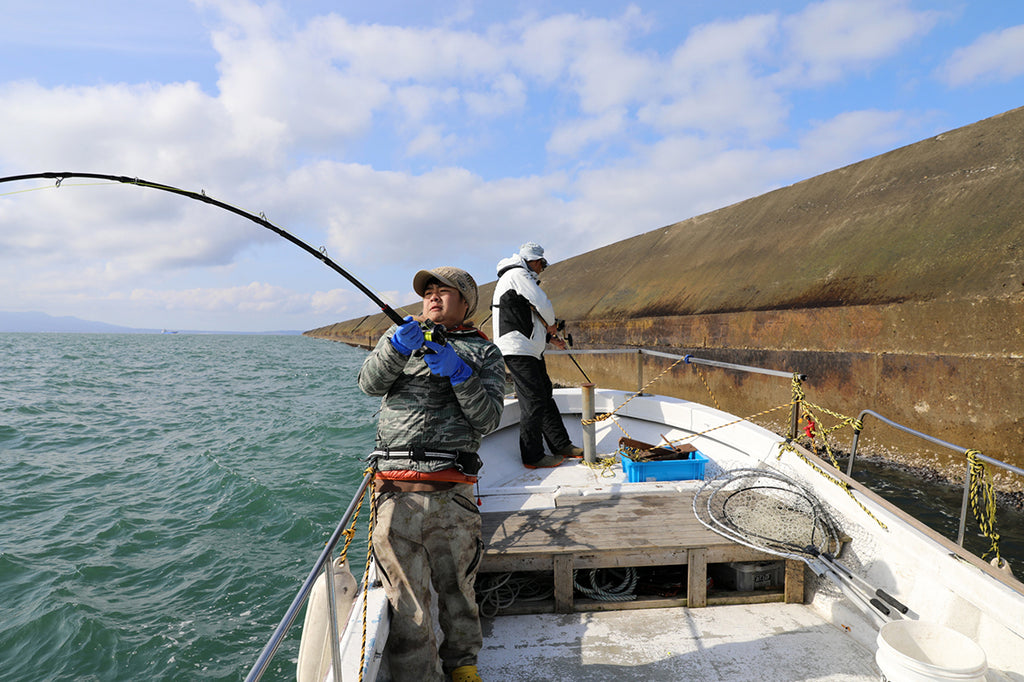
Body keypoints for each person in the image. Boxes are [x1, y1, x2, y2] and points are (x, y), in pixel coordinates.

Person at [358, 266, 504, 682]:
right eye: (428, 292)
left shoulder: (483, 353)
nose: (433, 298)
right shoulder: (398, 337)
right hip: (393, 487)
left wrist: (461, 373)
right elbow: (368, 384)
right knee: (406, 603)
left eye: (444, 292)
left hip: (451, 487)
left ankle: (463, 666)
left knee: (459, 588)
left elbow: (489, 418)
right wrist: (394, 350)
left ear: (465, 303)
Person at [491, 242, 584, 468]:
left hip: (529, 349)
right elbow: (541, 303)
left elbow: (527, 318)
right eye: (542, 264)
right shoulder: (517, 274)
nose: (542, 268)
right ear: (533, 261)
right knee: (533, 400)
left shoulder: (519, 277)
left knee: (544, 394)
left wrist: (549, 337)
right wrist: (552, 325)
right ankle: (532, 456)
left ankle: (560, 444)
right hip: (517, 350)